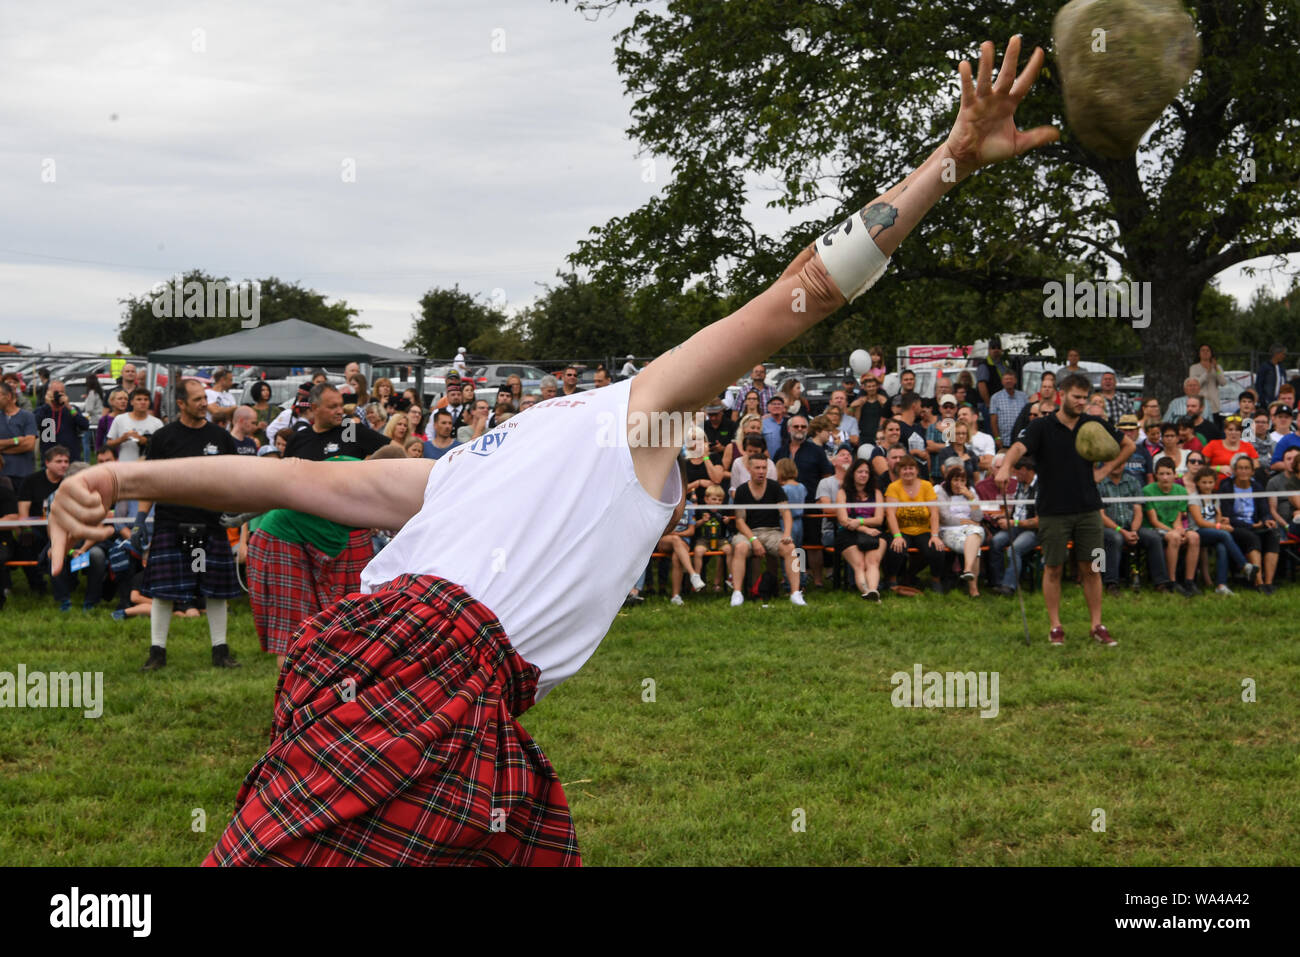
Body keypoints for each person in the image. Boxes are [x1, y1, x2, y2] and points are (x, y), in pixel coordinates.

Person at [50, 34, 1055, 865]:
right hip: (415, 667)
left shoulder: (483, 466)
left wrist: (120, 475)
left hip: (427, 679)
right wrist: (951, 161)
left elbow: (290, 479)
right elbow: (808, 292)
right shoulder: (620, 417)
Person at [997, 373, 1133, 645]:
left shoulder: (1093, 424)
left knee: (1093, 567)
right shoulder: (1041, 426)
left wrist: (1105, 470)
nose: (1081, 402)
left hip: (1089, 509)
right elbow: (1018, 447)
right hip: (1052, 511)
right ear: (1062, 394)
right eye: (1076, 397)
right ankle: (1055, 626)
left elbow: (1127, 444)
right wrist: (1004, 467)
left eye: (1085, 397)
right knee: (1054, 568)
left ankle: (1097, 625)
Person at [131, 379, 243, 670]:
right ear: (180, 403)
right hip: (171, 523)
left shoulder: (220, 437)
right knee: (163, 592)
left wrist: (237, 510)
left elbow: (235, 479)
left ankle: (221, 651)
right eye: (196, 400)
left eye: (204, 398)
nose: (204, 404)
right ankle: (157, 653)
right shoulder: (164, 437)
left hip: (212, 524)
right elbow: (150, 483)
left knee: (215, 591)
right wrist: (139, 521)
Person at [1098, 459, 1172, 595]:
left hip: (1132, 527)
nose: (1116, 465)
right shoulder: (1099, 482)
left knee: (1154, 538)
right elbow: (1100, 516)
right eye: (1113, 461)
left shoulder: (1133, 481)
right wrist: (1121, 531)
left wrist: (1132, 531)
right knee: (1116, 538)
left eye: (1119, 462)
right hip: (1108, 528)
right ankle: (1111, 584)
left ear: (1125, 463)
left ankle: (1161, 583)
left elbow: (1138, 510)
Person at [1187, 466, 1257, 595]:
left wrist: (1222, 521)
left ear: (1215, 483)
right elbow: (1200, 522)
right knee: (1224, 535)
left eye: (1210, 482)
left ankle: (1221, 585)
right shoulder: (1194, 498)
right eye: (1204, 482)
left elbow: (1217, 517)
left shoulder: (1215, 497)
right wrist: (1220, 527)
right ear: (1197, 483)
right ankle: (1244, 565)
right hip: (1198, 531)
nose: (1207, 486)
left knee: (1222, 546)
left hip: (1214, 532)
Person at [884, 454, 945, 592]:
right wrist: (897, 536)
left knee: (936, 548)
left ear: (917, 470)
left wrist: (935, 535)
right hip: (901, 529)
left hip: (923, 530)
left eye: (911, 468)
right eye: (904, 468)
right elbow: (890, 514)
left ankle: (936, 580)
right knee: (896, 548)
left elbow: (934, 512)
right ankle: (892, 580)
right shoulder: (893, 487)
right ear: (899, 471)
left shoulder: (927, 486)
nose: (908, 471)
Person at [1220, 454, 1279, 593]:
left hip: (1255, 524)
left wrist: (1267, 520)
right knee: (1251, 537)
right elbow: (1227, 516)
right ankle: (1258, 582)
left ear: (1252, 471)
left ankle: (1268, 583)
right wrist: (1251, 526)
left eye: (1247, 468)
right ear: (1234, 470)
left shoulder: (1257, 487)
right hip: (1235, 528)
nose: (1243, 471)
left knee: (1272, 535)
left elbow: (1264, 510)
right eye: (1240, 468)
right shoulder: (1226, 487)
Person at [1143, 457, 1201, 597]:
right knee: (1174, 537)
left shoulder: (1181, 490)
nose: (1165, 477)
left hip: (1172, 527)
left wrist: (1180, 530)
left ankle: (1189, 581)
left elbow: (1177, 518)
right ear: (1156, 475)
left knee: (1194, 536)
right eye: (1161, 474)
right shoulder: (1148, 490)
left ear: (1175, 475)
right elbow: (1154, 521)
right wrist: (1175, 532)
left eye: (1168, 473)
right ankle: (1171, 581)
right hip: (1154, 528)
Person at [835, 459, 887, 599]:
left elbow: (878, 519)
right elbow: (844, 520)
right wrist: (864, 529)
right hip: (848, 533)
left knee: (872, 562)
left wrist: (859, 521)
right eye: (860, 472)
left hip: (874, 531)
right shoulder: (842, 493)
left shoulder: (876, 493)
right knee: (859, 564)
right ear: (853, 473)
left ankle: (872, 591)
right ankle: (866, 591)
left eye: (866, 472)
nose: (863, 475)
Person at [987, 457, 1038, 598]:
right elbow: (1017, 509)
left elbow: (1040, 521)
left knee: (1014, 549)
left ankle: (1009, 587)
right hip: (1017, 526)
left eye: (1015, 472)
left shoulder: (1042, 487)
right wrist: (1003, 516)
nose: (1014, 476)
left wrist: (1013, 523)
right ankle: (997, 583)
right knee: (995, 542)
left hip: (1035, 531)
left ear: (1024, 470)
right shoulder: (1021, 485)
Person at [935, 464, 985, 597]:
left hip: (971, 530)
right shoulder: (940, 491)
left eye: (962, 481)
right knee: (976, 548)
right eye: (955, 480)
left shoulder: (970, 492)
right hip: (949, 530)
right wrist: (966, 521)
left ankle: (967, 569)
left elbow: (978, 517)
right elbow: (945, 518)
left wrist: (971, 498)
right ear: (949, 480)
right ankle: (973, 589)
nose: (959, 484)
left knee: (976, 532)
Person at [691, 484, 734, 592]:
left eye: (720, 500)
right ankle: (696, 578)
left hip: (720, 539)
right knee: (698, 550)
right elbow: (694, 526)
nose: (717, 502)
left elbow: (730, 528)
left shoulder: (723, 511)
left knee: (729, 549)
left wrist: (727, 522)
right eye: (714, 499)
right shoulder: (701, 510)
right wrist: (702, 521)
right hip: (704, 539)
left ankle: (731, 576)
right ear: (706, 499)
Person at [105, 388, 165, 466]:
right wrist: (122, 439)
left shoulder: (157, 423)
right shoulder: (120, 419)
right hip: (125, 466)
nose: (143, 402)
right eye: (139, 399)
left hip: (149, 468)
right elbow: (108, 443)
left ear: (149, 403)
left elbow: (163, 447)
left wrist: (146, 441)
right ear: (132, 402)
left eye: (146, 399)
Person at [34, 380, 90, 462]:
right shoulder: (42, 410)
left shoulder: (71, 410)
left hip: (70, 458)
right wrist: (47, 404)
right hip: (49, 459)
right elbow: (34, 425)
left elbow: (85, 425)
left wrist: (69, 407)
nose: (59, 395)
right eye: (56, 392)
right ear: (48, 392)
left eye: (62, 392)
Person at [0, 380, 37, 484]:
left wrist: (2, 449)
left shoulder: (27, 417)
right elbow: (23, 443)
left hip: (23, 473)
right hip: (2, 475)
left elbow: (29, 445)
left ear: (8, 396)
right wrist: (16, 440)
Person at [1265, 449, 1300, 539]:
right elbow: (1273, 510)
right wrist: (1286, 526)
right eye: (1289, 459)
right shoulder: (1274, 482)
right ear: (1283, 462)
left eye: (1296, 459)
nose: (1292, 462)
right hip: (1284, 523)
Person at [988, 369, 1027, 449]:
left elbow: (1028, 417)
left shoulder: (1023, 397)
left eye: (1011, 379)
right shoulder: (995, 398)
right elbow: (993, 421)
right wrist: (997, 438)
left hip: (1021, 440)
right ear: (1002, 381)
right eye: (1006, 379)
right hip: (1004, 440)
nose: (1008, 381)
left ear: (1015, 381)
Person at [1114, 414, 1153, 486]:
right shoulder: (1112, 451)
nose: (1128, 433)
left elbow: (1150, 477)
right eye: (1125, 430)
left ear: (1137, 431)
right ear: (1119, 431)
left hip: (1140, 494)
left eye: (1131, 430)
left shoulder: (1144, 452)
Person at [1189, 344, 1227, 417]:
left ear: (1211, 353)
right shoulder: (1193, 368)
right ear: (1199, 354)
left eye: (1207, 351)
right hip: (1200, 406)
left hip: (1214, 406)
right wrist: (1207, 372)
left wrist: (1216, 368)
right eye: (1203, 350)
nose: (1205, 352)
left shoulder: (1217, 368)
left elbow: (1223, 382)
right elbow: (1196, 384)